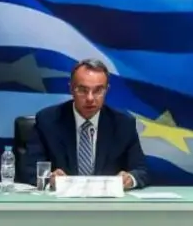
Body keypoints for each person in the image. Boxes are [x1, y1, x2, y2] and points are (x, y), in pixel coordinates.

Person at [23, 59, 149, 189]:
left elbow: (141, 171)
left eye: (98, 90)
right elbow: (29, 169)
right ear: (71, 89)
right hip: (61, 199)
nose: (90, 98)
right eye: (82, 90)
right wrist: (50, 178)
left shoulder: (123, 124)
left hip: (106, 199)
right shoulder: (48, 120)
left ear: (107, 90)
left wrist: (130, 178)